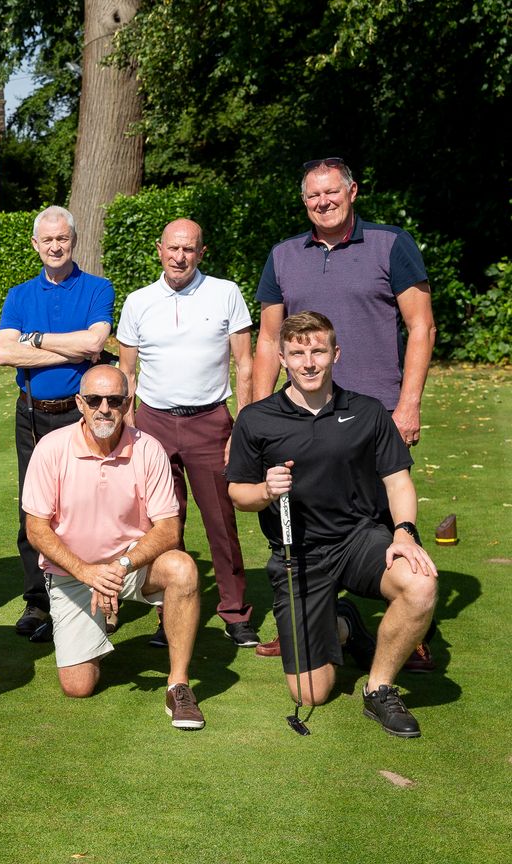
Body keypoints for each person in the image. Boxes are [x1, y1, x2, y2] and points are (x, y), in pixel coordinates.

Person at [252, 156, 438, 670]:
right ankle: (311, 619)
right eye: (313, 195)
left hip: (375, 413)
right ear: (303, 201)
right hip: (301, 414)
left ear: (352, 191)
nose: (323, 202)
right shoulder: (283, 255)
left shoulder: (391, 244)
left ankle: (410, 629)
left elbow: (421, 327)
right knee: (298, 514)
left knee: (385, 517)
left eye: (331, 192)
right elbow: (268, 338)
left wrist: (408, 404)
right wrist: (257, 415)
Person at [228, 312, 436, 738]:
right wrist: (266, 490)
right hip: (298, 554)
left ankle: (379, 689)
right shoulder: (257, 418)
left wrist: (404, 532)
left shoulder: (367, 411)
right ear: (282, 359)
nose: (309, 363)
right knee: (311, 693)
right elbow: (238, 494)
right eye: (297, 353)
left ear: (335, 354)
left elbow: (398, 481)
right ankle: (344, 625)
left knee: (420, 583)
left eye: (318, 351)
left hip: (359, 539)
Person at [21, 364, 207, 730]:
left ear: (127, 403)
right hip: (74, 573)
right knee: (78, 686)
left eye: (114, 400)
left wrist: (120, 566)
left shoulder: (148, 448)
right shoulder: (51, 448)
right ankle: (94, 628)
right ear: (80, 403)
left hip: (129, 566)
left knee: (182, 568)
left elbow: (169, 528)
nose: (104, 408)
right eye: (94, 400)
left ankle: (178, 685)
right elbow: (36, 529)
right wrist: (88, 573)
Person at [117, 218, 259, 648]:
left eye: (189, 249)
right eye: (173, 248)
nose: (180, 257)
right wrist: (128, 427)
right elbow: (127, 372)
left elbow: (245, 364)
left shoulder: (225, 293)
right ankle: (169, 613)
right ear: (159, 249)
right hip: (153, 423)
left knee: (221, 520)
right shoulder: (138, 301)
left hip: (210, 422)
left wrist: (243, 426)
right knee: (162, 524)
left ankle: (235, 611)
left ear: (201, 252)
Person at [0, 205, 114, 643]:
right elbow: (4, 352)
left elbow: (96, 342)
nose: (55, 246)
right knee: (34, 508)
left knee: (90, 505)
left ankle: (95, 593)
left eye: (62, 238)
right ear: (35, 244)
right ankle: (37, 601)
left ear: (73, 240)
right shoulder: (19, 295)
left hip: (82, 413)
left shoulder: (98, 288)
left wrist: (36, 340)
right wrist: (71, 348)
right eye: (47, 239)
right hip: (32, 413)